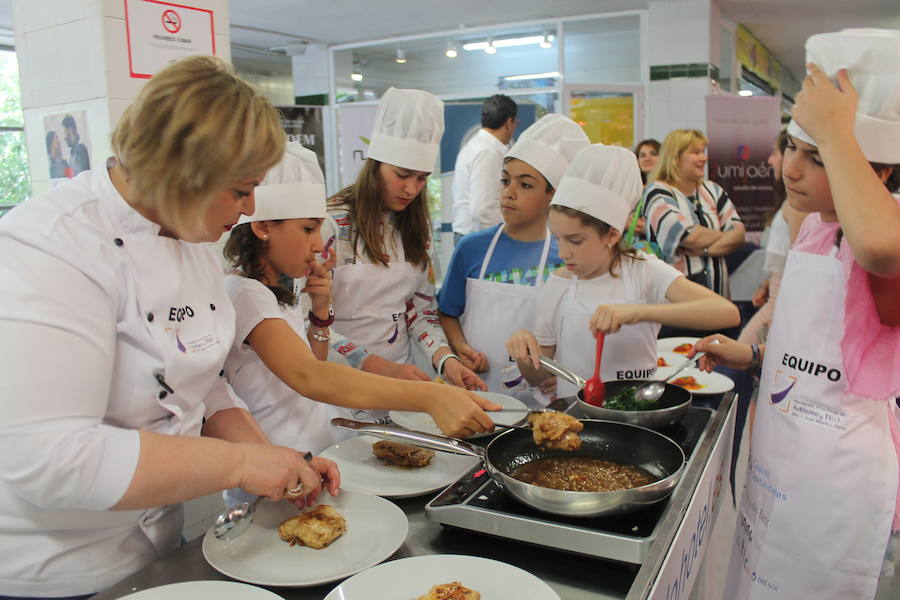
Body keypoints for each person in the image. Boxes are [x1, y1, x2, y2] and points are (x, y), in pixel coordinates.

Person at [0, 56, 340, 598]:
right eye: (240, 190)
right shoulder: (48, 246)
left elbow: (200, 380)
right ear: (182, 173)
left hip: (156, 546)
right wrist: (241, 464)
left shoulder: (191, 240)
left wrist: (281, 459)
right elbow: (50, 458)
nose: (250, 206)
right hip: (55, 567)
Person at [692, 29, 900, 600]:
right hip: (782, 455)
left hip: (837, 474)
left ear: (880, 172)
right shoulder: (812, 227)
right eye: (792, 147)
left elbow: (882, 249)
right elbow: (816, 345)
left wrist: (838, 132)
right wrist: (754, 354)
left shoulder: (886, 230)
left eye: (818, 156)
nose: (790, 168)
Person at [222, 142, 498, 457]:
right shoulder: (246, 294)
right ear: (262, 227)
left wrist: (321, 310)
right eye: (310, 229)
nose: (317, 245)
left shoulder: (276, 298)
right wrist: (426, 395)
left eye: (422, 179)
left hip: (308, 452)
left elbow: (315, 359)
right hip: (282, 456)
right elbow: (310, 375)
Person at [505, 144, 740, 399]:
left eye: (575, 241)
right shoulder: (558, 285)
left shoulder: (643, 271)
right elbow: (537, 376)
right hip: (575, 420)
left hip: (639, 415)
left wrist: (638, 312)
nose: (563, 253)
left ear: (612, 235)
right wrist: (525, 356)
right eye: (558, 239)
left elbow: (727, 313)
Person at [323, 88, 484, 402]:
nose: (411, 189)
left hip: (404, 383)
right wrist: (378, 367)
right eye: (402, 175)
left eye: (422, 178)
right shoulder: (331, 224)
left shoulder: (415, 228)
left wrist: (445, 359)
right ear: (375, 166)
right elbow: (309, 324)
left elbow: (420, 310)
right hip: (341, 385)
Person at [438, 114, 590, 407]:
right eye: (505, 181)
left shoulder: (566, 257)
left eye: (526, 185)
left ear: (553, 194)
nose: (509, 192)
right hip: (476, 393)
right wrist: (461, 348)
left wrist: (558, 369)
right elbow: (447, 312)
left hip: (543, 404)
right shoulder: (472, 248)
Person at [642, 129, 746, 302]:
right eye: (696, 152)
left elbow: (739, 235)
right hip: (679, 308)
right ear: (675, 157)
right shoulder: (658, 193)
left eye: (703, 152)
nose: (703, 158)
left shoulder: (713, 190)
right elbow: (688, 236)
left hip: (719, 300)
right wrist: (726, 237)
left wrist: (705, 250)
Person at [451, 94, 518, 238]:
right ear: (509, 122)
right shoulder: (488, 152)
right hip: (480, 236)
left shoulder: (477, 146)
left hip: (471, 234)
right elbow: (483, 209)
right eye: (515, 123)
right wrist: (505, 236)